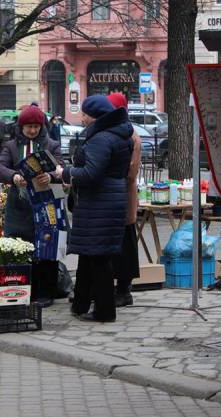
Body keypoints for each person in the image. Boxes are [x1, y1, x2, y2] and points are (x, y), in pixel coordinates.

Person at [55, 95, 133, 322]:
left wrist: (65, 173)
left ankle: (104, 311)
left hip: (99, 203)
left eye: (86, 114)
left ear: (97, 116)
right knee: (90, 256)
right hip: (108, 201)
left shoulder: (102, 139)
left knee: (99, 259)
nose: (83, 118)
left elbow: (91, 173)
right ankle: (80, 304)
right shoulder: (120, 134)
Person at [0, 105, 64, 308]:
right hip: (19, 207)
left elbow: (61, 168)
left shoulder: (52, 145)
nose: (32, 130)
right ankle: (22, 289)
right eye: (28, 127)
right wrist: (13, 176)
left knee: (46, 250)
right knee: (20, 248)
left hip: (46, 205)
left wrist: (50, 176)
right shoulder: (12, 146)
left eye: (36, 126)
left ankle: (45, 293)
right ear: (21, 126)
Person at [107, 92, 141, 307]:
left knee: (125, 245)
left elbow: (130, 172)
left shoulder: (131, 136)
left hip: (123, 197)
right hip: (114, 198)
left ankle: (124, 289)